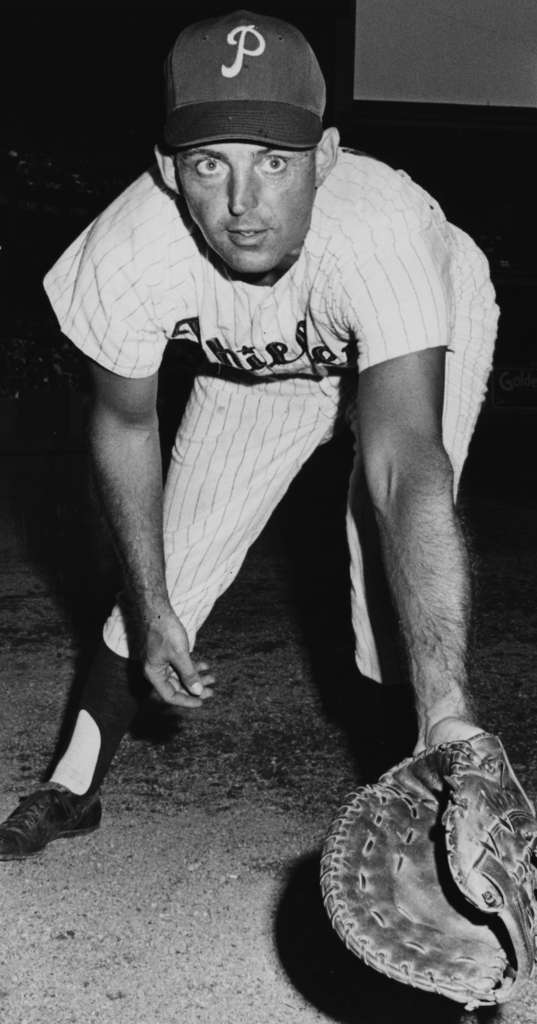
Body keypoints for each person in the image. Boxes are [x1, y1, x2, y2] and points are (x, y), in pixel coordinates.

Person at [0, 9, 499, 860]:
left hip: (406, 323)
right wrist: (155, 606)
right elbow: (124, 426)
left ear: (326, 157)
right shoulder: (128, 251)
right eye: (209, 164)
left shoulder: (381, 228)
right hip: (254, 360)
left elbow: (403, 463)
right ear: (168, 170)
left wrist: (449, 698)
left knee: (380, 560)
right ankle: (72, 785)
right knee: (177, 555)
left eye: (274, 160)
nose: (242, 204)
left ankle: (424, 783)